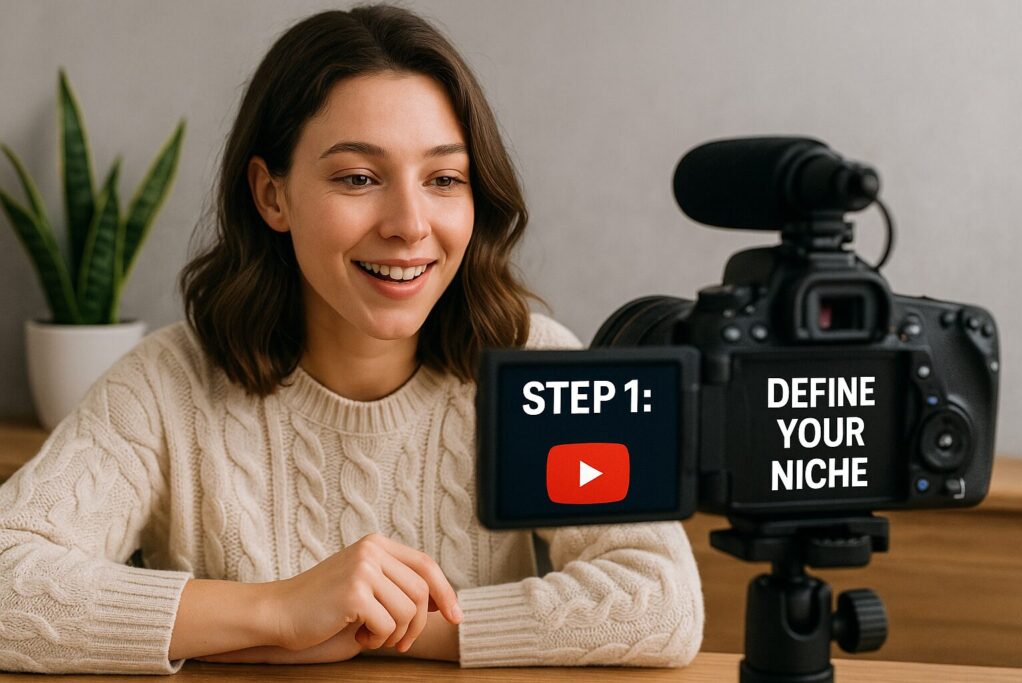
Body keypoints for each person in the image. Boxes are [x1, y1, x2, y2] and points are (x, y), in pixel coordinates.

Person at [0, 4, 703, 673]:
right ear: (272, 194)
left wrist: (385, 630)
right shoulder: (167, 384)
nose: (409, 222)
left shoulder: (537, 363)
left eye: (444, 178)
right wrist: (277, 610)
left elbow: (661, 601)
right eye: (360, 177)